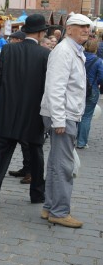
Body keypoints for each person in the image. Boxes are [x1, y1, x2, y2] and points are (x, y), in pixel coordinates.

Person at [0, 14, 51, 208]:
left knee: (1, 156)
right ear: (40, 33)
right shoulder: (45, 54)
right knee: (36, 154)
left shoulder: (8, 50)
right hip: (33, 114)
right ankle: (37, 194)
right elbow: (49, 88)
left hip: (7, 113)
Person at [40, 13, 92, 228]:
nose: (86, 30)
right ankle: (59, 211)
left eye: (88, 27)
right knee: (63, 164)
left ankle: (50, 206)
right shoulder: (64, 51)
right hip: (62, 114)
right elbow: (55, 86)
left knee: (56, 162)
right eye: (81, 26)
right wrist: (59, 119)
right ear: (69, 29)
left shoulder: (72, 50)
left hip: (63, 113)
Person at [76, 39, 103, 149]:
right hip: (92, 89)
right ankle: (81, 142)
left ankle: (70, 139)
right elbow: (101, 76)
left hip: (77, 88)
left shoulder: (78, 57)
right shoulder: (98, 61)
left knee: (75, 113)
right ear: (95, 48)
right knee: (87, 116)